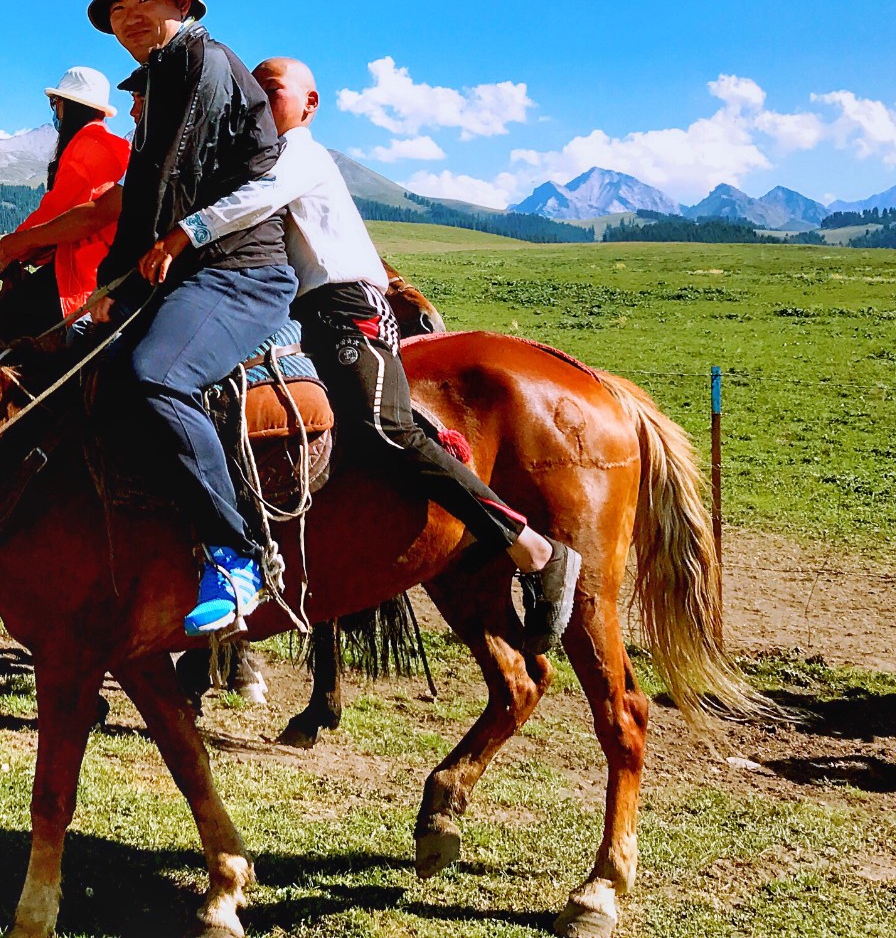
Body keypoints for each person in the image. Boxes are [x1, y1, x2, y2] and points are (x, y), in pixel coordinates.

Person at [138, 56, 583, 654]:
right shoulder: (263, 154)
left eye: (271, 92)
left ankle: (529, 547)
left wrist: (184, 232)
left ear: (309, 105)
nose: (260, 104)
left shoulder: (298, 154)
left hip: (346, 308)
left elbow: (256, 200)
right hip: (303, 314)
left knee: (384, 426)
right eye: (253, 94)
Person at [84, 0, 296, 637]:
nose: (128, 15)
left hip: (240, 270)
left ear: (181, 4)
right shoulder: (160, 76)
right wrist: (105, 289)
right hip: (184, 268)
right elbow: (144, 191)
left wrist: (127, 280)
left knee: (159, 377)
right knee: (86, 359)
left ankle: (238, 554)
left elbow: (173, 182)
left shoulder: (203, 64)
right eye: (117, 6)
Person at [0, 66, 132, 317]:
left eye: (55, 103)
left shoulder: (85, 148)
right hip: (112, 261)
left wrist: (9, 247)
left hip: (85, 271)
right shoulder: (116, 145)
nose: (55, 111)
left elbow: (56, 212)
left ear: (69, 105)